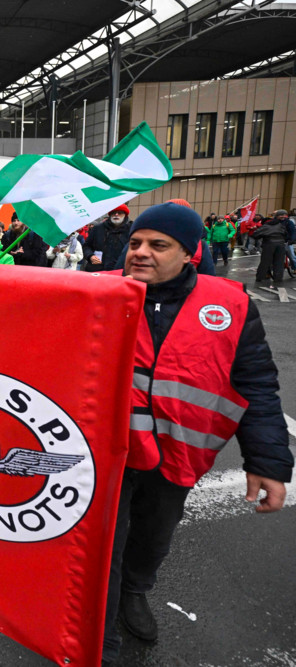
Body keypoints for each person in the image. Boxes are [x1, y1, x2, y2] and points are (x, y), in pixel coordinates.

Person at [101, 202, 292, 665]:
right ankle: (98, 622)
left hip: (179, 454)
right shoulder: (97, 293)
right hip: (109, 452)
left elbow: (256, 384)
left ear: (189, 252)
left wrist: (267, 463)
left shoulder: (229, 304)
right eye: (136, 243)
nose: (140, 252)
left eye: (157, 245)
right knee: (104, 540)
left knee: (153, 535)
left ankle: (134, 592)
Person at [82, 204, 133, 271]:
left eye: (120, 213)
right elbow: (86, 246)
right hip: (97, 270)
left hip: (120, 271)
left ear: (125, 215)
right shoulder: (98, 229)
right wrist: (90, 256)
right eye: (113, 213)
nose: (116, 214)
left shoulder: (131, 230)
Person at [251, 209, 289, 288]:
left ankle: (260, 276)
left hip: (269, 244)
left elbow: (255, 234)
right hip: (280, 244)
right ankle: (278, 278)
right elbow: (286, 235)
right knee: (279, 262)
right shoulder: (281, 226)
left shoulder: (266, 226)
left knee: (265, 261)